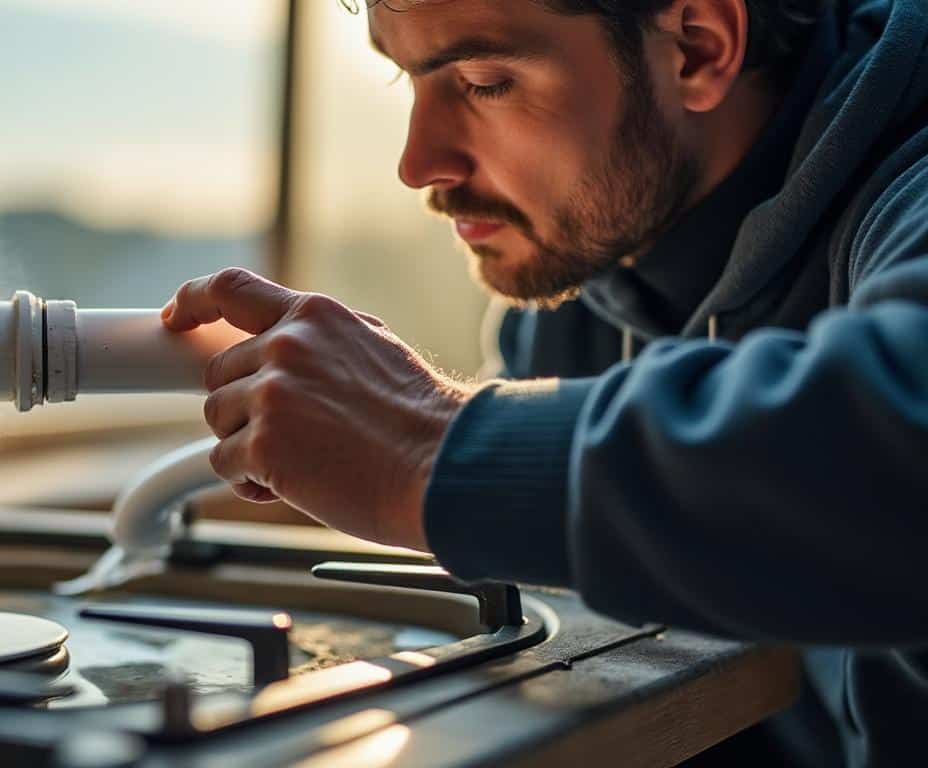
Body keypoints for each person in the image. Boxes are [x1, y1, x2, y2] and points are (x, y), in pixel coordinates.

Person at [160, 0, 927, 765]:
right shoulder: (580, 301)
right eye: (405, 78)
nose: (417, 164)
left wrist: (431, 446)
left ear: (696, 46)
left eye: (485, 81)